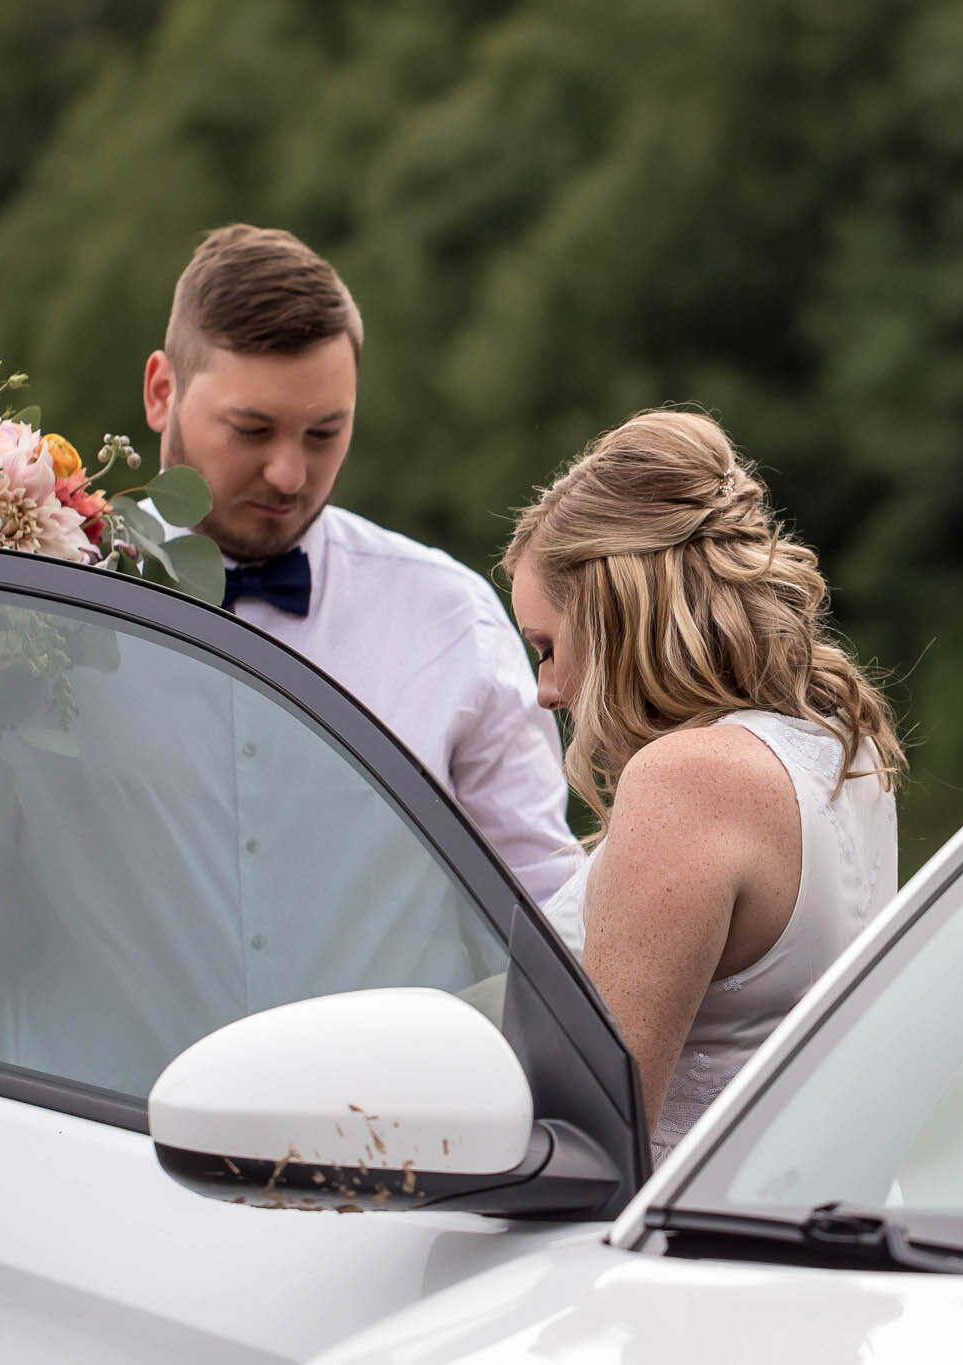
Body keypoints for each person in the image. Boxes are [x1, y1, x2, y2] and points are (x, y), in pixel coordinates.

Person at [504, 409, 905, 1160]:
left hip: (678, 1255)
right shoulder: (838, 750)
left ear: (614, 616)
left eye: (549, 647)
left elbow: (596, 1139)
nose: (546, 690)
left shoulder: (688, 780)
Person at [142, 224, 577, 901]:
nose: (289, 475)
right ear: (161, 392)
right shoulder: (46, 596)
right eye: (252, 430)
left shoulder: (453, 621)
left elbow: (545, 910)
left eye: (325, 432)